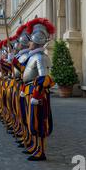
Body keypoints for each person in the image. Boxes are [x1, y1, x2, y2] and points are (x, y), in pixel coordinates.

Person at [21, 18, 55, 161]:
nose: (28, 43)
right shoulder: (34, 56)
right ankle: (36, 147)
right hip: (31, 91)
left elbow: (45, 78)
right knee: (31, 122)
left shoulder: (40, 57)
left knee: (39, 123)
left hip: (38, 95)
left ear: (36, 41)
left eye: (30, 40)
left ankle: (41, 151)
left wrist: (37, 95)